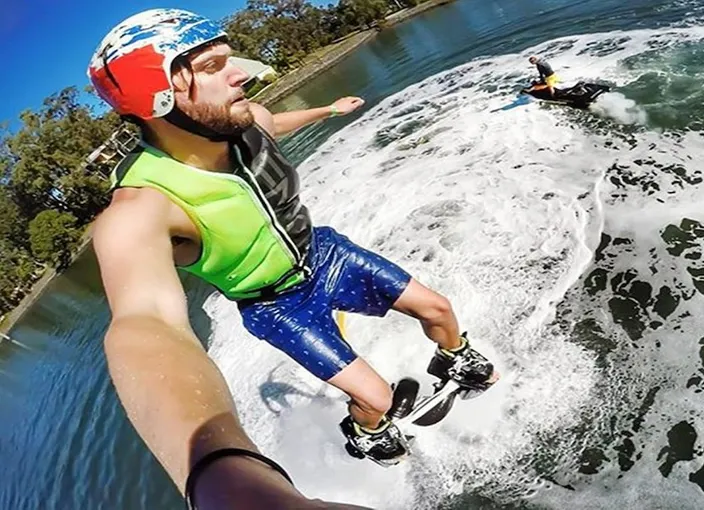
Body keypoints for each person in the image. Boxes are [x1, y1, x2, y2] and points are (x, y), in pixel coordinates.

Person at [87, 7, 499, 504]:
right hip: (275, 304)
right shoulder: (138, 211)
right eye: (214, 67)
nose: (241, 71)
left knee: (438, 309)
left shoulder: (246, 120)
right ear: (157, 92)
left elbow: (273, 123)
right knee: (377, 399)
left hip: (324, 254)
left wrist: (327, 111)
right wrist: (214, 470)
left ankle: (454, 358)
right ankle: (365, 432)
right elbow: (145, 325)